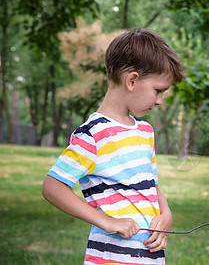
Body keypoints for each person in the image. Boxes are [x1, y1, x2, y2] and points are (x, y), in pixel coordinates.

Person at [42, 28, 185, 265]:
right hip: (110, 259)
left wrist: (166, 213)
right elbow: (52, 187)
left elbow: (151, 185)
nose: (159, 101)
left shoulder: (145, 132)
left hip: (150, 258)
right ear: (132, 80)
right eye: (158, 91)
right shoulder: (93, 135)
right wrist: (107, 221)